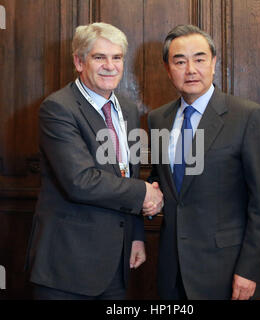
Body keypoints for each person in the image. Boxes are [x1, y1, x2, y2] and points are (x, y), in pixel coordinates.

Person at [25, 22, 163, 300]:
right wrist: (145, 193)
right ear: (79, 61)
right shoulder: (58, 108)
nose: (110, 66)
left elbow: (127, 175)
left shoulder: (127, 108)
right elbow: (80, 181)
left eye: (117, 57)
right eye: (99, 57)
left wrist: (136, 235)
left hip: (115, 264)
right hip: (67, 267)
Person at [146, 24, 260, 300]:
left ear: (214, 63)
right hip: (172, 269)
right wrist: (145, 197)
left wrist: (250, 269)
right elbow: (161, 181)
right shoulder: (158, 119)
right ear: (168, 69)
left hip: (227, 271)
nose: (190, 69)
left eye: (200, 59)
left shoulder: (248, 116)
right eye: (179, 61)